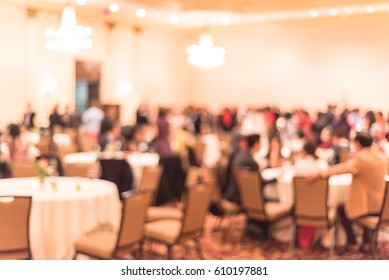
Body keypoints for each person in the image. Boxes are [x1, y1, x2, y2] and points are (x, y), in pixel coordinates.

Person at [308, 132, 387, 253]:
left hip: (366, 206)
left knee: (341, 209)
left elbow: (342, 168)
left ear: (358, 143)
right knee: (365, 207)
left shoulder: (361, 158)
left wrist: (320, 173)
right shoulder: (381, 157)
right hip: (381, 206)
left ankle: (352, 241)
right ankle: (366, 242)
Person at [294, 141, 328, 248]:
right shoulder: (322, 165)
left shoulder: (299, 165)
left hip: (302, 206)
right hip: (322, 206)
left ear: (304, 151)